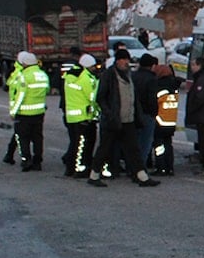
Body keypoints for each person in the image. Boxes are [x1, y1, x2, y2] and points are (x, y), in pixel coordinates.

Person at [86, 49, 159, 188]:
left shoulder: (128, 75)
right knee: (105, 148)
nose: (126, 62)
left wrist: (137, 114)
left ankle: (142, 176)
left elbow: (133, 96)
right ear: (118, 61)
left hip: (128, 119)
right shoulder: (109, 75)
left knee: (134, 149)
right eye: (124, 60)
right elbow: (101, 97)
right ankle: (94, 175)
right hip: (114, 120)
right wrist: (109, 114)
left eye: (127, 60)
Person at [10, 51, 50, 172]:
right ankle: (38, 161)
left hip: (24, 113)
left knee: (24, 138)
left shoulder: (24, 76)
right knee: (38, 138)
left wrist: (13, 111)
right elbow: (46, 90)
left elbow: (20, 96)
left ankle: (26, 160)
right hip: (39, 112)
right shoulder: (43, 75)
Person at [62, 53, 100, 178]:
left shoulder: (70, 77)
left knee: (75, 144)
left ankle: (70, 168)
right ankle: (82, 169)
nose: (95, 69)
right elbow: (93, 97)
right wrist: (98, 111)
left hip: (72, 116)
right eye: (93, 66)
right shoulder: (86, 78)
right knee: (85, 145)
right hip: (85, 116)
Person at [186, 56, 204, 173]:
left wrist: (192, 108)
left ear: (200, 66)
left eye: (194, 65)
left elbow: (200, 98)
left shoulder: (202, 79)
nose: (192, 67)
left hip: (203, 115)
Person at [152, 62, 182, 176]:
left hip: (160, 120)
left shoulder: (159, 86)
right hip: (171, 121)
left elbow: (154, 102)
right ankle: (170, 167)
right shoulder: (174, 87)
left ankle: (161, 168)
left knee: (159, 146)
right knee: (168, 145)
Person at [132, 53, 160, 169]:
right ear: (151, 65)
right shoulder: (151, 79)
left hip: (133, 113)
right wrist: (154, 113)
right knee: (145, 143)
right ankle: (140, 168)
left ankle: (132, 166)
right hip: (147, 114)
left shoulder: (133, 76)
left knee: (135, 143)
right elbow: (152, 99)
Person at [2, 64, 22, 165]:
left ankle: (10, 154)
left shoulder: (15, 72)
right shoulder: (23, 73)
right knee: (22, 135)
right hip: (24, 109)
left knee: (18, 134)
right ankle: (25, 158)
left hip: (18, 109)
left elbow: (7, 86)